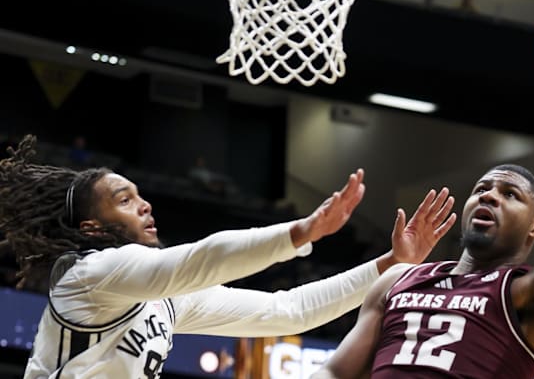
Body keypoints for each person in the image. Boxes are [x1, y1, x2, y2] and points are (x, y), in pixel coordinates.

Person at [311, 44, 534, 379]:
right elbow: (335, 372)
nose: (489, 197)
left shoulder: (525, 293)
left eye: (510, 194)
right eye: (481, 190)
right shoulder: (398, 280)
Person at [0, 135, 457, 379]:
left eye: (140, 195)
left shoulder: (165, 299)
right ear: (92, 228)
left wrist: (390, 264)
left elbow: (287, 310)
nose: (145, 204)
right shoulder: (89, 275)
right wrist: (302, 231)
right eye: (124, 199)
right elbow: (203, 257)